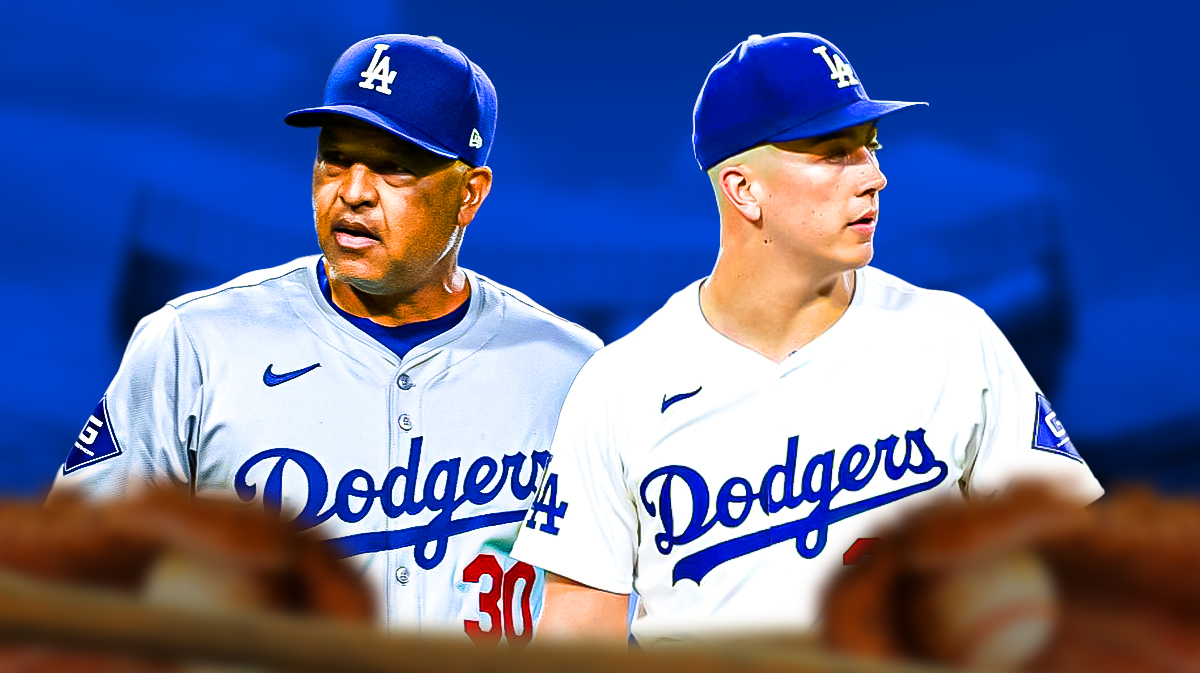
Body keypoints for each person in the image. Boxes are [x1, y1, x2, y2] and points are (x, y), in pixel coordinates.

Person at [510, 32, 1103, 645]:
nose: (874, 177)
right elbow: (578, 631)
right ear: (744, 188)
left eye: (870, 147)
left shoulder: (952, 336)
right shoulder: (619, 384)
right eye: (834, 153)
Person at [51, 34, 601, 644]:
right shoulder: (194, 344)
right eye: (335, 158)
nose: (354, 191)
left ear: (469, 193)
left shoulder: (570, 370)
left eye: (393, 165)